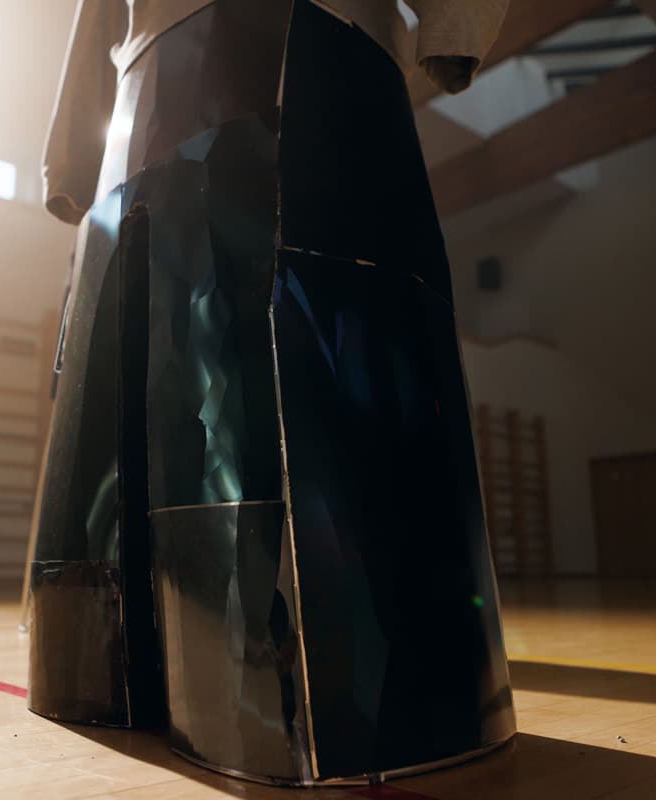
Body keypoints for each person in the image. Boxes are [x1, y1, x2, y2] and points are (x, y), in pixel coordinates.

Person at [27, 0, 517, 787]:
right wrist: (73, 160)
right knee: (128, 385)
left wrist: (454, 24)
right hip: (144, 98)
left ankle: (291, 713)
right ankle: (108, 679)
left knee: (295, 367)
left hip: (315, 44)